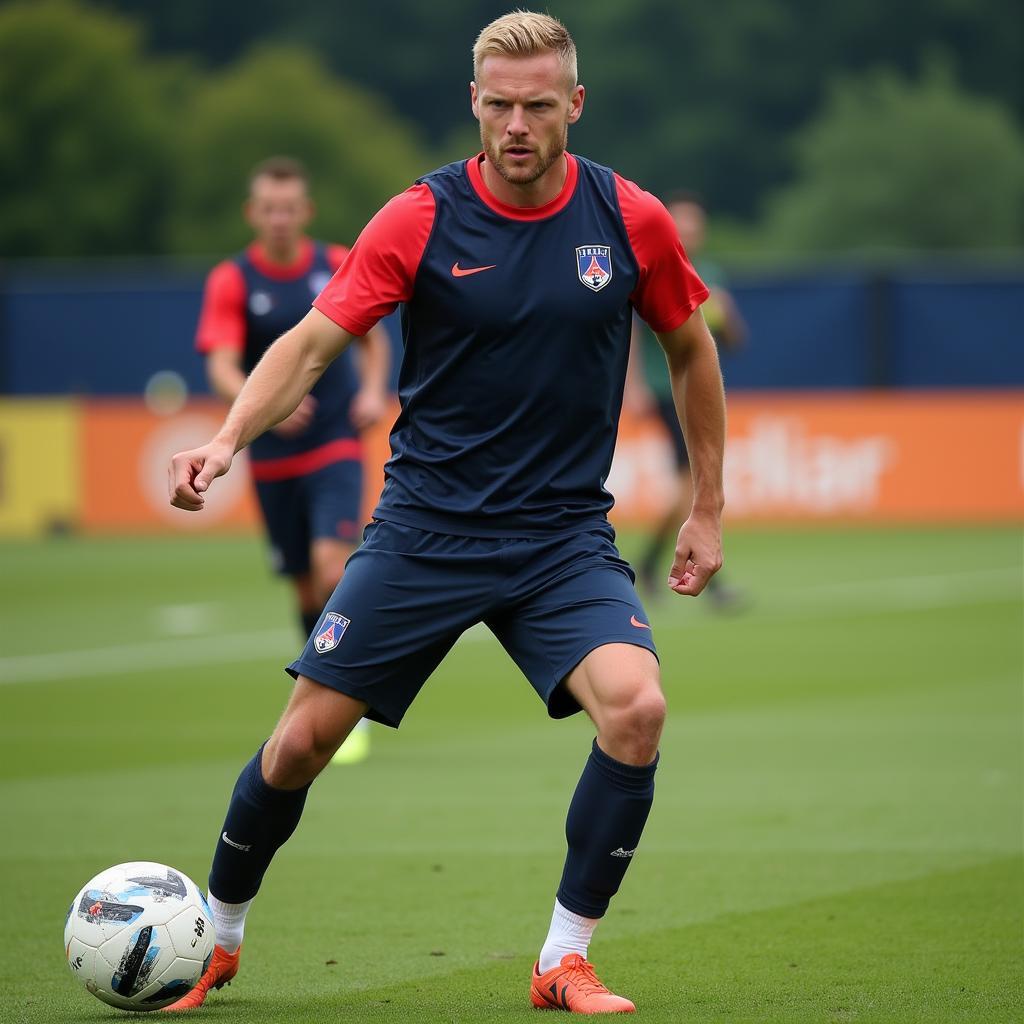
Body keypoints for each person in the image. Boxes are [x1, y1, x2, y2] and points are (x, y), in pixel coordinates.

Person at [166, 11, 725, 1015]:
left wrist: (709, 506)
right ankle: (217, 935)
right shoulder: (417, 218)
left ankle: (563, 958)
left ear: (575, 105)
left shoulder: (628, 219)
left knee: (637, 709)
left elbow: (691, 349)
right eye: (499, 105)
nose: (517, 125)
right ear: (473, 101)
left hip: (559, 539)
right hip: (425, 530)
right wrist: (225, 439)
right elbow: (309, 342)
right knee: (297, 748)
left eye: (539, 106)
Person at [195, 156, 390, 764]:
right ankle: (323, 695)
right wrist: (259, 398)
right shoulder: (231, 280)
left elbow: (373, 337)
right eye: (269, 209)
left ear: (305, 213)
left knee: (333, 567)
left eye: (290, 208)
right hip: (273, 458)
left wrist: (372, 389)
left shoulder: (334, 263)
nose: (280, 219)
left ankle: (348, 702)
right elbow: (221, 362)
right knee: (305, 583)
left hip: (334, 442)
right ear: (254, 214)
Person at [626, 192, 746, 607]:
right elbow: (633, 333)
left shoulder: (710, 275)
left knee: (688, 486)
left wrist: (726, 312)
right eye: (682, 225)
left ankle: (648, 563)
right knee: (690, 486)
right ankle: (708, 577)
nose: (688, 233)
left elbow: (732, 341)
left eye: (695, 226)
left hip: (698, 394)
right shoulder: (653, 263)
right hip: (664, 391)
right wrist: (635, 387)